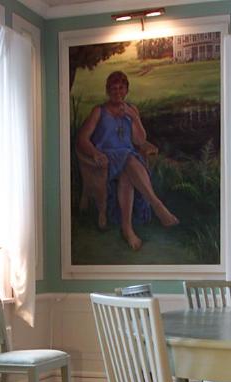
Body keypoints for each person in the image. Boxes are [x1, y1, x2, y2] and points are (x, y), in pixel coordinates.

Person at [76, 71, 178, 251]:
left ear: (126, 90)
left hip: (126, 160)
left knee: (127, 172)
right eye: (113, 88)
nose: (117, 92)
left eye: (121, 88)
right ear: (108, 91)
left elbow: (139, 141)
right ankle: (157, 205)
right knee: (129, 159)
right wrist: (95, 153)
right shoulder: (99, 111)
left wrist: (134, 117)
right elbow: (82, 139)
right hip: (106, 159)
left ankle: (127, 228)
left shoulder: (131, 110)